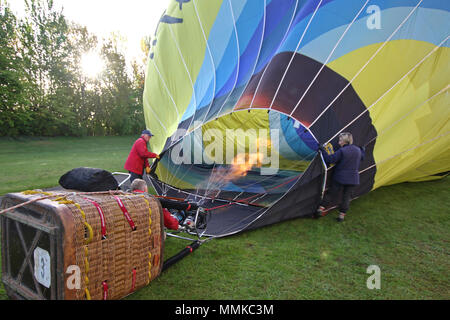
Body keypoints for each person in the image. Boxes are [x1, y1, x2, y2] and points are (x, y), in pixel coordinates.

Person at [316, 132, 365, 222]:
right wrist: (363, 150)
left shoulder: (342, 151)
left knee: (331, 193)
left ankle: (320, 209)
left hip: (340, 177)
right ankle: (341, 216)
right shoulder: (357, 150)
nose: (339, 142)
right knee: (346, 197)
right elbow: (362, 157)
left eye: (340, 140)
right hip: (353, 178)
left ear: (345, 141)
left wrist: (322, 149)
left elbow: (330, 159)